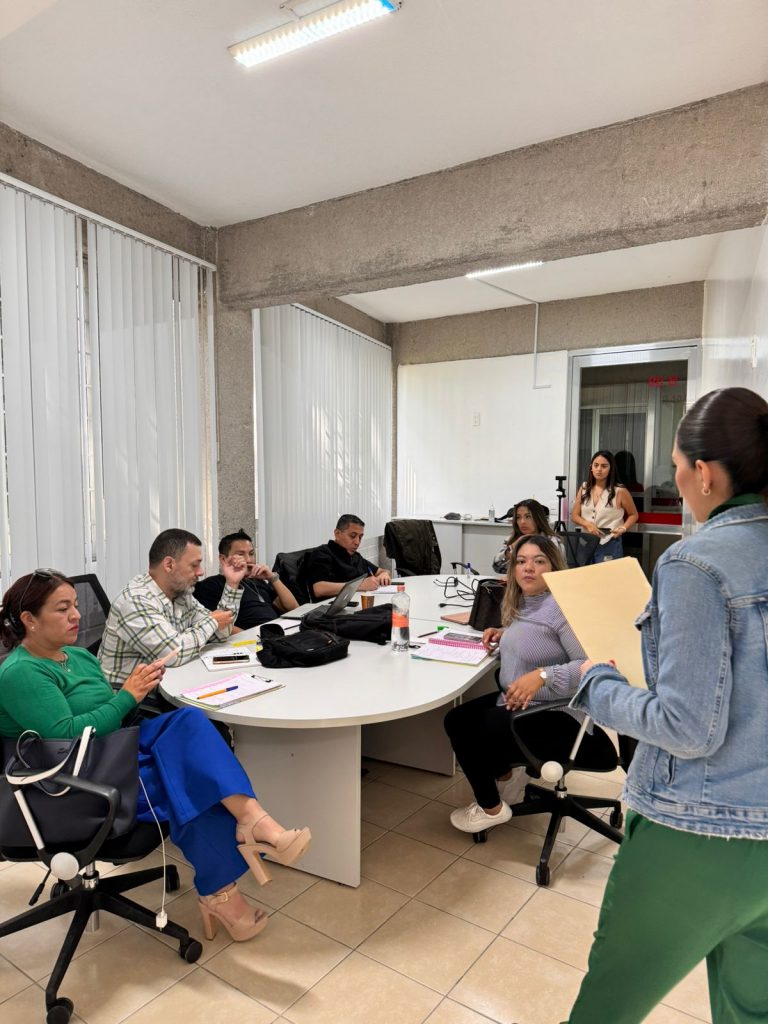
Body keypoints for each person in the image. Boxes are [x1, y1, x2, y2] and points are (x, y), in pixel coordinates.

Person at [563, 387, 768, 1024]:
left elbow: (687, 726)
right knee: (750, 1010)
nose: (676, 481)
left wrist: (599, 683)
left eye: (677, 467)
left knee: (605, 1011)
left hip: (699, 831)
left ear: (703, 473)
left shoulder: (695, 564)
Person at [0, 570, 312, 943]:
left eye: (76, 606)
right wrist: (127, 696)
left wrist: (139, 686)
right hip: (67, 782)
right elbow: (68, 734)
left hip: (109, 752)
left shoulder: (79, 656)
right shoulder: (20, 672)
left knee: (189, 722)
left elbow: (110, 714)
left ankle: (252, 821)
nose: (76, 615)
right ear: (29, 619)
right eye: (62, 608)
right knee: (184, 782)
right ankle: (221, 891)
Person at [444, 534, 600, 834]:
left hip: (558, 713)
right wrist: (506, 636)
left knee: (475, 730)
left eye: (539, 561)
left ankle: (491, 809)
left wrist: (543, 676)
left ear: (553, 568)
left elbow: (590, 667)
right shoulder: (526, 603)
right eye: (521, 561)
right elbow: (538, 638)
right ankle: (505, 777)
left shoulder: (562, 609)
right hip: (522, 703)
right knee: (457, 718)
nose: (528, 568)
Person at [99, 528, 246, 686]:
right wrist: (212, 621)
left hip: (169, 682)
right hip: (130, 696)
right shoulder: (135, 601)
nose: (201, 572)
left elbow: (220, 633)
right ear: (169, 564)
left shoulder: (181, 593)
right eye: (194, 565)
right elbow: (174, 654)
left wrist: (232, 583)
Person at [195, 529, 298, 629]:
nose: (249, 560)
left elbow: (294, 609)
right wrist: (253, 637)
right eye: (240, 554)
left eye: (251, 554)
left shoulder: (258, 582)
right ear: (223, 559)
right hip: (252, 638)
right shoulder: (212, 584)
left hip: (279, 632)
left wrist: (272, 578)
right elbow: (217, 625)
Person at [571, 449, 638, 562]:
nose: (599, 469)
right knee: (584, 572)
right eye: (596, 465)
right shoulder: (584, 488)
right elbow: (574, 515)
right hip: (586, 542)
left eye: (604, 466)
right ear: (591, 467)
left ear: (611, 469)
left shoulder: (620, 491)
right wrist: (587, 524)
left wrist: (623, 528)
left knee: (607, 573)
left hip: (609, 542)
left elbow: (633, 514)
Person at [305, 514, 391, 599]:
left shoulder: (356, 557)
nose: (357, 542)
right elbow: (319, 589)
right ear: (337, 534)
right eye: (352, 536)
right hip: (331, 606)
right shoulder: (323, 553)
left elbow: (382, 571)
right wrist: (360, 585)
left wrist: (384, 574)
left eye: (360, 537)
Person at [491, 498, 558, 573]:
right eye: (518, 517)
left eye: (528, 517)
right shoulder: (512, 539)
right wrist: (511, 549)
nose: (522, 522)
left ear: (538, 518)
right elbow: (497, 567)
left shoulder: (552, 541)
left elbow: (558, 572)